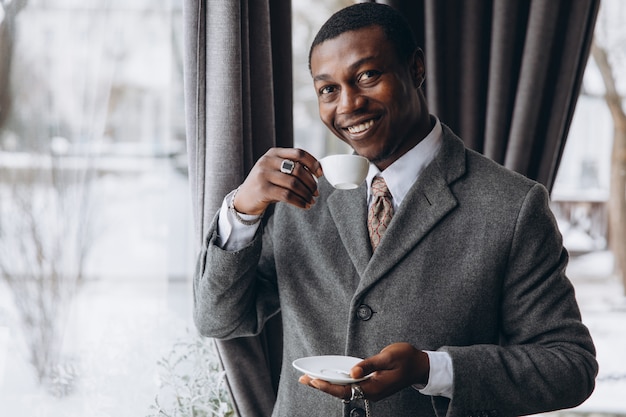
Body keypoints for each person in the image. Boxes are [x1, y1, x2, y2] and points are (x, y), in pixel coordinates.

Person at [193, 3, 597, 416]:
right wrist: (242, 210)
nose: (348, 104)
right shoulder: (301, 197)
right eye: (328, 89)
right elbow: (219, 320)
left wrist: (430, 369)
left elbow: (570, 365)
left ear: (416, 69)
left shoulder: (512, 205)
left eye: (367, 76)